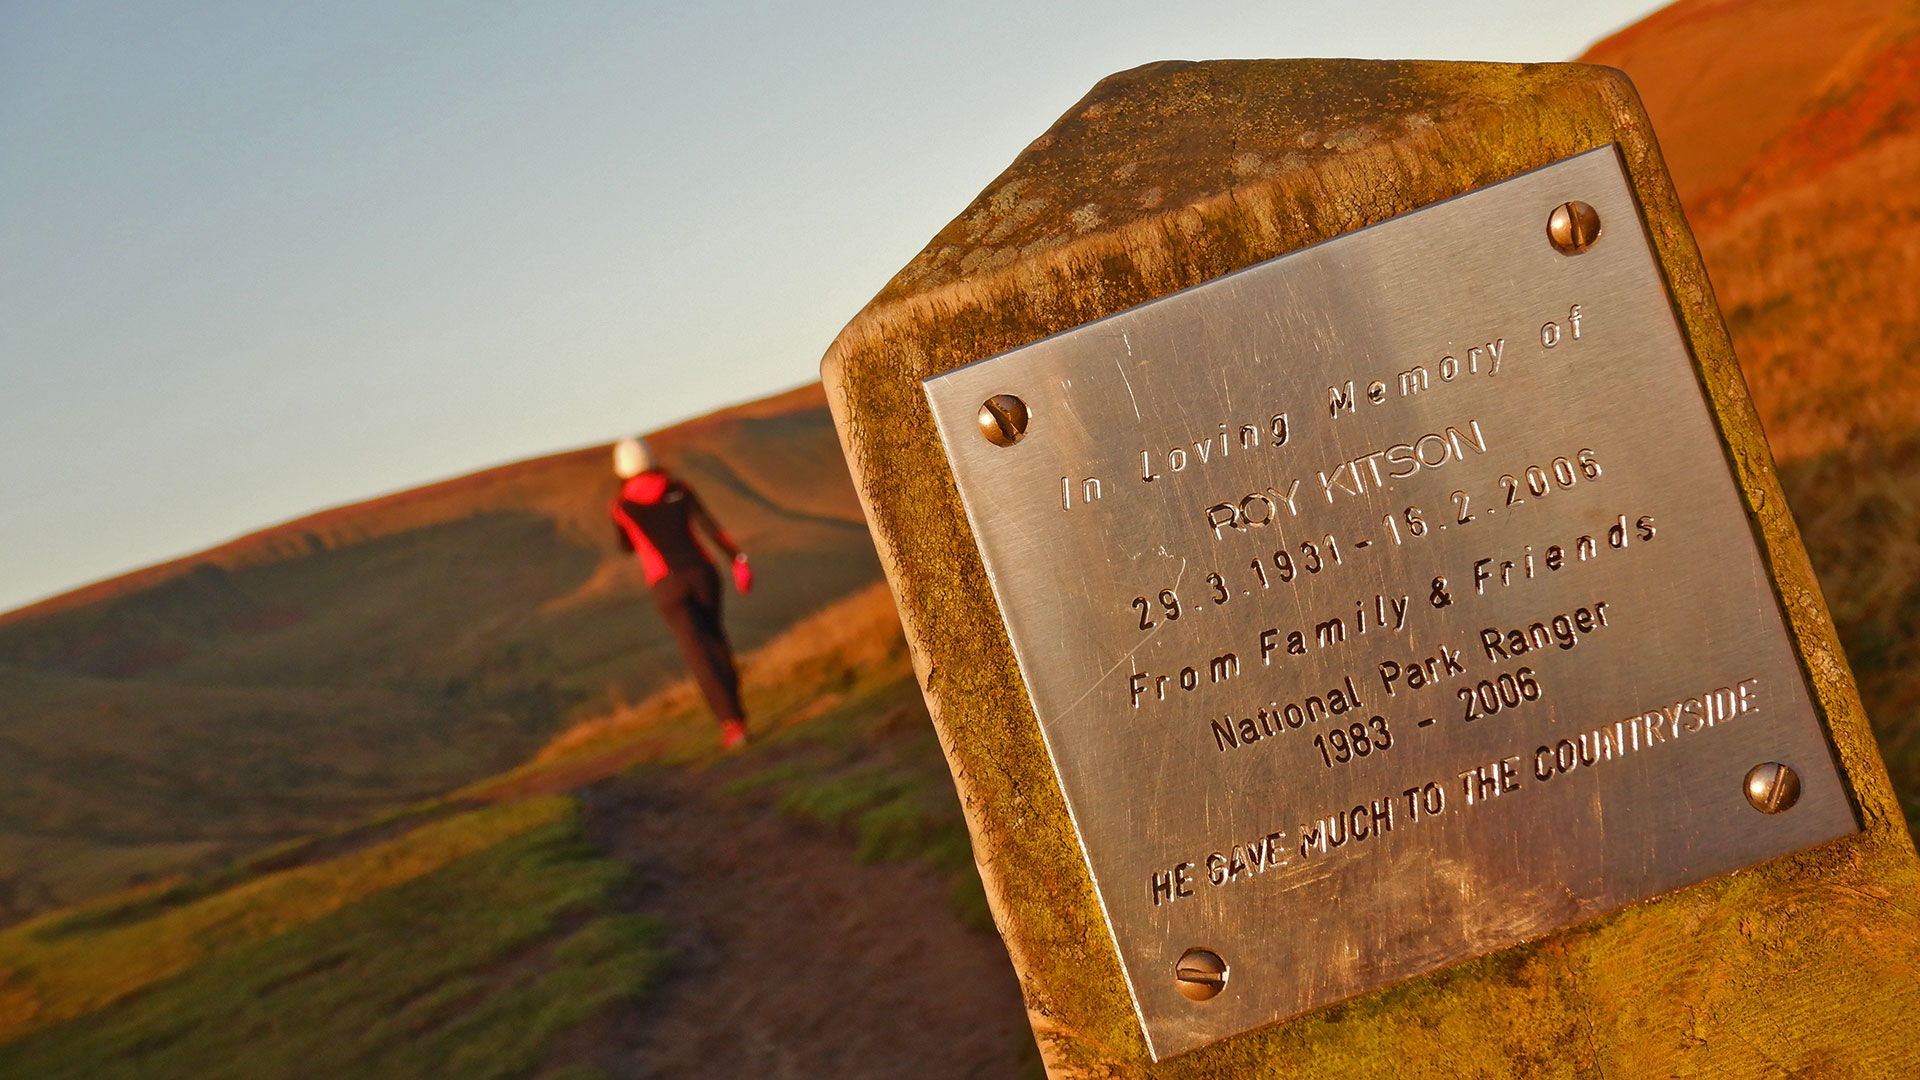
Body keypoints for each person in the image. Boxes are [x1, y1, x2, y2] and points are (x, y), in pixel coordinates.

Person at [607, 435, 754, 751]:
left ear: (621, 470)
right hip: (703, 573)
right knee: (716, 642)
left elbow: (625, 546)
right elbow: (711, 527)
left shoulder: (621, 507)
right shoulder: (679, 488)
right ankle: (738, 716)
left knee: (698, 653)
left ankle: (732, 725)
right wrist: (738, 560)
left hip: (666, 584)